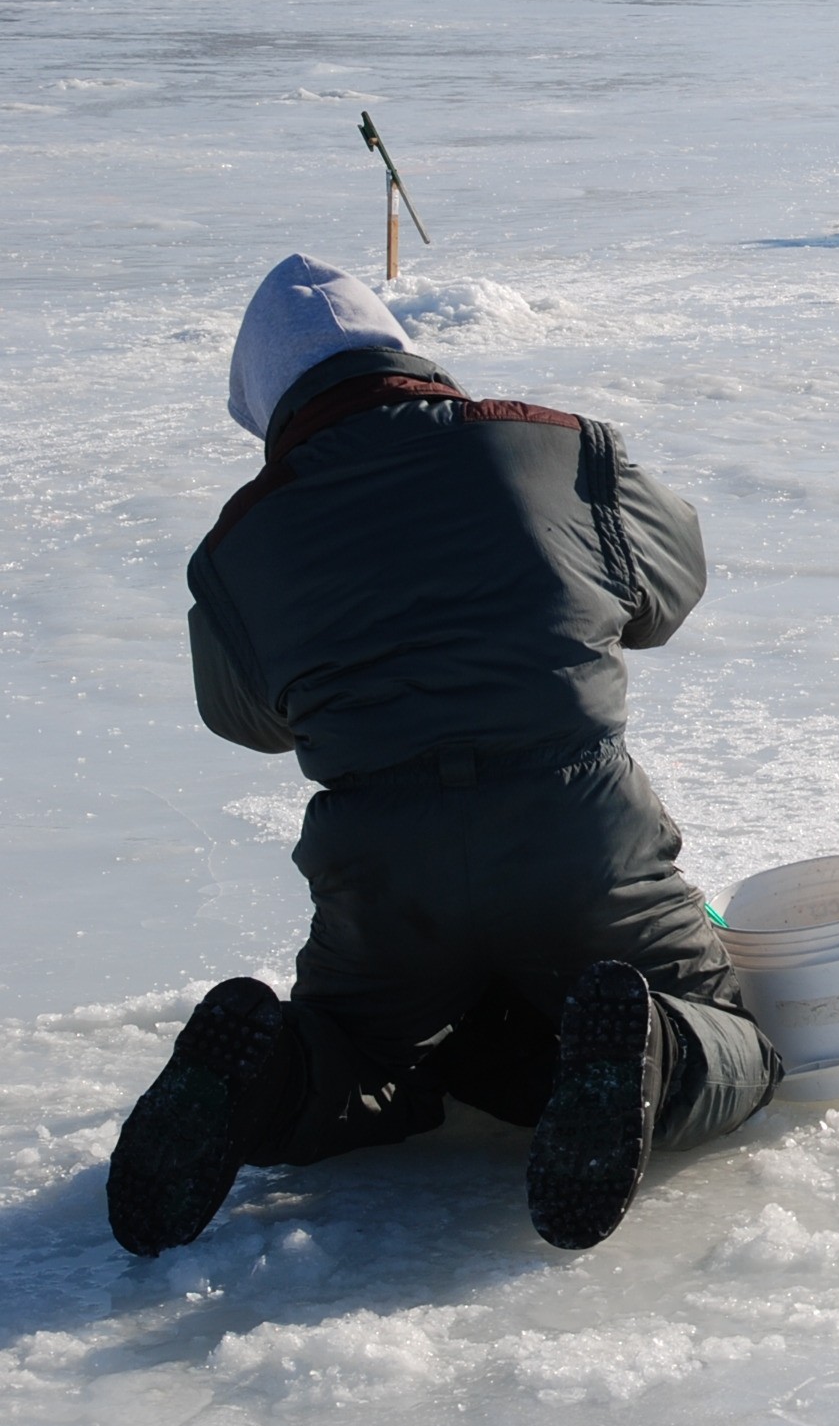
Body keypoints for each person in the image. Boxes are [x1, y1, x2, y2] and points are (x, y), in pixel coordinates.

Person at [107, 255, 779, 1259]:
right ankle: (650, 1054)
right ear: (399, 347)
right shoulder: (556, 446)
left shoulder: (240, 543)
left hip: (382, 872)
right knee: (735, 1036)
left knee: (365, 1056)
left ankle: (258, 1083)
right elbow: (669, 588)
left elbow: (245, 717)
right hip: (581, 839)